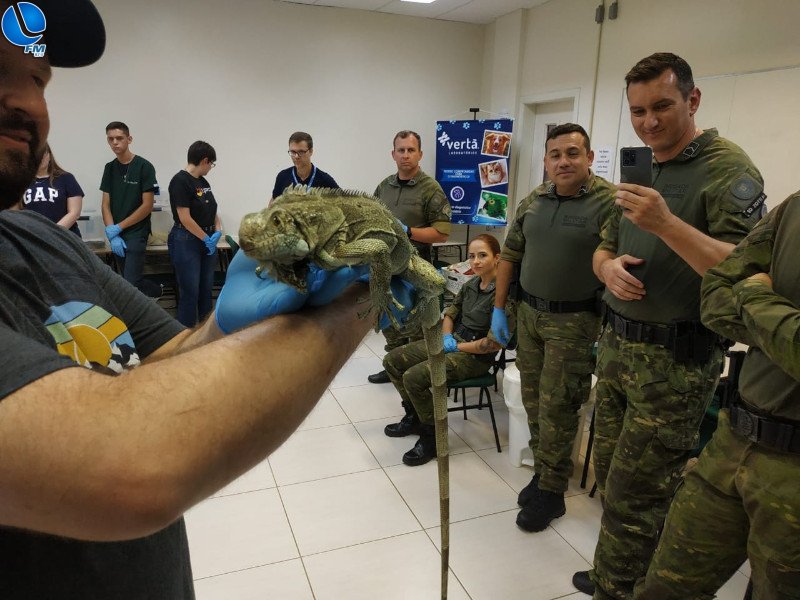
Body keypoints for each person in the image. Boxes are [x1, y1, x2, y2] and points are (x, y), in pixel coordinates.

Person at [0, 3, 410, 597]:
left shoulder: (37, 238)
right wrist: (358, 297)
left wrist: (221, 323)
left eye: (37, 79)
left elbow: (175, 348)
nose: (27, 102)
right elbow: (134, 465)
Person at [572, 53, 766, 599]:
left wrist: (666, 224)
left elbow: (746, 270)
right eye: (637, 111)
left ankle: (619, 585)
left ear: (693, 99)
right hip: (617, 349)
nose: (649, 122)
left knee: (641, 489)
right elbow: (604, 245)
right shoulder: (642, 164)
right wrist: (606, 267)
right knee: (612, 475)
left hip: (675, 363)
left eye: (662, 106)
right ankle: (623, 566)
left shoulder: (729, 169)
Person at [632, 192, 800, 598]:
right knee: (663, 588)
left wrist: (755, 296)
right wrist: (774, 325)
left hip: (793, 478)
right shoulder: (794, 209)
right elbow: (717, 292)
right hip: (735, 440)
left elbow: (738, 293)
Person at [490, 123, 616, 532]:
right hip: (529, 316)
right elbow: (509, 256)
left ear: (589, 157)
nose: (563, 161)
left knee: (559, 405)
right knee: (533, 400)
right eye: (555, 154)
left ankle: (552, 492)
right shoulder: (534, 200)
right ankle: (545, 473)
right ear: (545, 160)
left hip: (574, 321)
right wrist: (499, 309)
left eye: (573, 153)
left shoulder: (610, 203)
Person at [383, 234, 503, 465]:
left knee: (414, 377)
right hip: (455, 340)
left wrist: (456, 346)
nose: (475, 261)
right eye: (471, 256)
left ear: (497, 258)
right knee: (393, 360)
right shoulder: (471, 285)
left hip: (475, 357)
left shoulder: (502, 294)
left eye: (482, 255)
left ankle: (433, 438)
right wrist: (447, 336)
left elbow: (492, 344)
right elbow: (450, 313)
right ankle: (415, 417)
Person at [368, 130, 452, 384]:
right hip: (388, 269)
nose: (405, 155)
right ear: (393, 154)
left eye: (411, 150)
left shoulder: (430, 189)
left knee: (415, 328)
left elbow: (442, 233)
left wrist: (409, 231)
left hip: (417, 269)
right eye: (401, 150)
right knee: (390, 322)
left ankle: (413, 374)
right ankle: (393, 363)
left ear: (420, 154)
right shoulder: (384, 186)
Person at [100, 120, 160, 296]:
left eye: (119, 138)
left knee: (131, 283)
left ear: (129, 139)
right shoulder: (109, 168)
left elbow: (147, 205)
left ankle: (157, 290)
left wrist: (120, 227)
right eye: (111, 139)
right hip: (116, 234)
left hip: (135, 232)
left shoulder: (144, 167)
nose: (115, 142)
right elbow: (105, 204)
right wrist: (112, 230)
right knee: (126, 281)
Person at [167, 140, 222, 327]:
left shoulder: (203, 182)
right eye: (212, 164)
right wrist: (206, 238)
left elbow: (213, 209)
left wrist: (218, 231)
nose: (211, 168)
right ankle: (186, 336)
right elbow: (185, 217)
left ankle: (206, 332)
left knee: (206, 290)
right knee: (190, 292)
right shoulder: (180, 181)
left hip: (207, 240)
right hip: (186, 240)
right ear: (205, 160)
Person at [22, 143, 83, 235]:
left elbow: (74, 213)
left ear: (49, 156)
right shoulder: (21, 181)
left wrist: (51, 234)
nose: (40, 158)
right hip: (32, 238)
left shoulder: (66, 178)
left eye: (43, 153)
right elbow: (15, 213)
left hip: (65, 237)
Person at [271, 131, 339, 200]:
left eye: (301, 152)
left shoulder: (325, 180)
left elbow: (343, 201)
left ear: (311, 151)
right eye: (293, 152)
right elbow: (273, 204)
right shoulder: (282, 176)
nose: (296, 156)